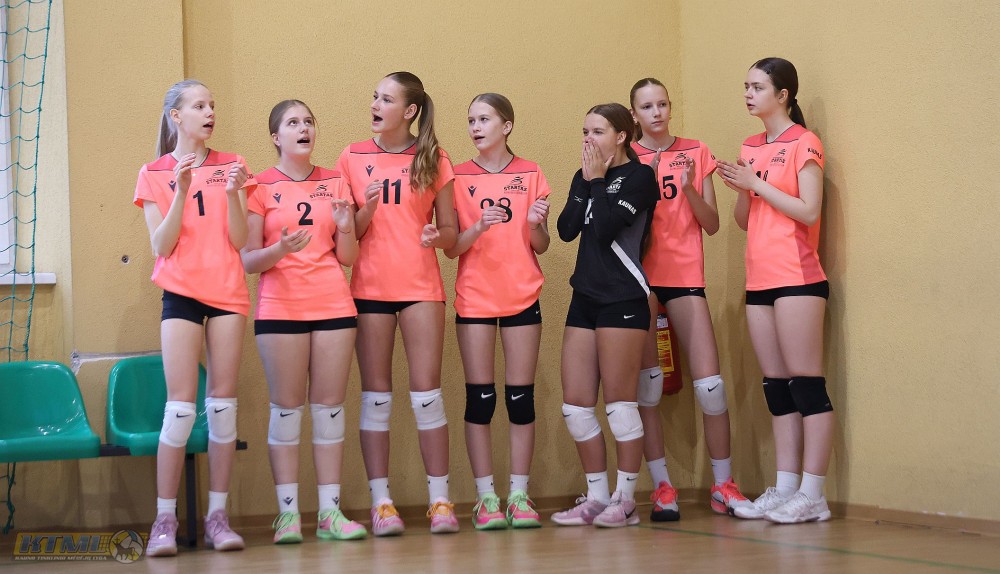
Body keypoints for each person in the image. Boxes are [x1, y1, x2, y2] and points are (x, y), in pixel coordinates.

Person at [134, 79, 256, 556]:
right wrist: (182, 191)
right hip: (181, 294)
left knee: (222, 408)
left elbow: (241, 240)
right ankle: (164, 520)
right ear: (176, 116)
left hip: (227, 294)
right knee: (181, 409)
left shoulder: (233, 165)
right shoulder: (154, 173)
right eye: (199, 105)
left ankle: (217, 518)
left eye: (212, 105)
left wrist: (234, 194)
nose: (209, 113)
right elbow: (161, 246)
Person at [335, 71, 459, 535]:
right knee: (376, 399)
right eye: (374, 96)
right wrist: (363, 212)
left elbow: (451, 235)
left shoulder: (435, 158)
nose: (375, 104)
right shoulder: (351, 156)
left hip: (421, 289)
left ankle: (440, 501)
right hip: (369, 288)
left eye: (386, 99)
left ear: (409, 111)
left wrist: (436, 235)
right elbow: (348, 234)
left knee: (427, 398)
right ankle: (381, 503)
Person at [241, 100, 366, 544]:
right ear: (276, 137)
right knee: (286, 410)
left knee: (329, 410)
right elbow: (248, 261)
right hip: (281, 310)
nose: (303, 128)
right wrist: (280, 249)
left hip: (334, 306)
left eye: (309, 121)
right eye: (292, 123)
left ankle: (330, 513)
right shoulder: (259, 186)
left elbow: (348, 258)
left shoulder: (335, 181)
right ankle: (288, 516)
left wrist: (346, 226)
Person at [716, 57, 835, 524]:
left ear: (782, 95)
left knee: (807, 386)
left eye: (757, 87)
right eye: (745, 86)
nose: (748, 94)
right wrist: (742, 189)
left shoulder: (805, 142)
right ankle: (785, 489)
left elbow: (809, 211)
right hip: (759, 279)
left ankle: (813, 495)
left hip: (798, 278)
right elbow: (745, 221)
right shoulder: (750, 145)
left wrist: (756, 184)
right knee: (777, 388)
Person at [628, 78, 751, 521]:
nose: (657, 112)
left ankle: (723, 485)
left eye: (662, 104)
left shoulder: (696, 152)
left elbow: (712, 224)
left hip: (684, 277)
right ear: (634, 114)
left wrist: (690, 189)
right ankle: (662, 488)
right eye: (647, 106)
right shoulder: (626, 156)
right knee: (648, 388)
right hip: (639, 280)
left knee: (711, 387)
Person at [445, 93, 551, 530]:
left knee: (520, 400)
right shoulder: (456, 176)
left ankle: (519, 495)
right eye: (471, 120)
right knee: (481, 400)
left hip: (522, 296)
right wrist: (478, 226)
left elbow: (542, 244)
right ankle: (486, 497)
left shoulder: (531, 172)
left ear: (506, 126)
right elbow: (452, 248)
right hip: (475, 298)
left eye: (484, 119)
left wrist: (534, 224)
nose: (475, 127)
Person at [552, 103, 659, 528]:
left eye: (597, 131)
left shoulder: (640, 177)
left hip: (623, 298)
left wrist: (597, 181)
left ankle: (625, 500)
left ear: (621, 136)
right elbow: (566, 229)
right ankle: (596, 496)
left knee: (620, 408)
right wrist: (586, 181)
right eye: (585, 131)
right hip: (585, 298)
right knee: (576, 408)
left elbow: (606, 228)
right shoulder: (584, 175)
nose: (588, 139)